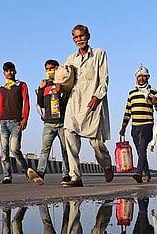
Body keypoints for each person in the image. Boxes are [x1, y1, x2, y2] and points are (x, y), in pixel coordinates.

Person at [60, 24, 114, 188]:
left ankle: (106, 165)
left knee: (96, 143)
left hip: (92, 103)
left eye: (81, 36)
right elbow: (67, 81)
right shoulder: (71, 59)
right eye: (76, 37)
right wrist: (61, 87)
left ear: (88, 36)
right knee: (69, 134)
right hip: (74, 103)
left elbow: (104, 80)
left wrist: (97, 97)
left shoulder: (99, 54)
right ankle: (75, 176)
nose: (79, 40)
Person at [0, 61, 40, 184]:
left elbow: (26, 102)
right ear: (4, 73)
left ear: (15, 71)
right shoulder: (3, 88)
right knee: (4, 150)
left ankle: (27, 171)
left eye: (12, 70)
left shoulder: (22, 85)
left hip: (16, 122)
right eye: (7, 71)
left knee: (14, 149)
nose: (10, 72)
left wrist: (25, 118)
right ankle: (7, 176)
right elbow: (0, 106)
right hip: (3, 122)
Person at [119, 66, 157, 183]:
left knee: (142, 147)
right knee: (140, 151)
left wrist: (156, 103)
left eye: (143, 76)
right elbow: (128, 110)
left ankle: (138, 172)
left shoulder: (152, 91)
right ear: (136, 78)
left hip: (147, 124)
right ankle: (147, 174)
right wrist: (123, 127)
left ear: (147, 77)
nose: (141, 78)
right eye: (139, 76)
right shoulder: (132, 93)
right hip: (135, 126)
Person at [34, 59, 71, 185]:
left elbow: (67, 102)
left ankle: (66, 175)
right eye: (47, 69)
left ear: (57, 69)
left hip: (61, 122)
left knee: (65, 150)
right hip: (48, 123)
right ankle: (40, 173)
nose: (49, 71)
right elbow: (40, 103)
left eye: (52, 68)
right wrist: (40, 89)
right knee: (45, 149)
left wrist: (60, 92)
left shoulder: (63, 84)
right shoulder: (45, 86)